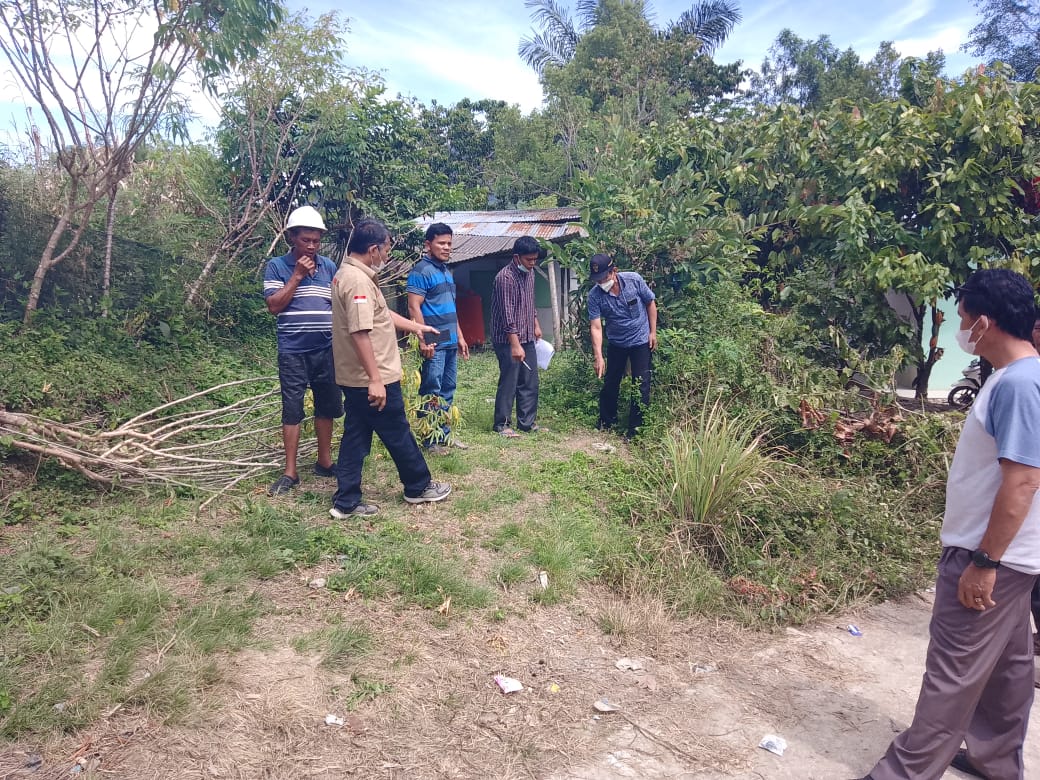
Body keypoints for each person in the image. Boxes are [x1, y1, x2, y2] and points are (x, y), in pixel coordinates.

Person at [856, 268, 1040, 780]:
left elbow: (1023, 482)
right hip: (1014, 558)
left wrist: (984, 561)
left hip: (990, 556)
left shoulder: (1021, 384)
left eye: (963, 320)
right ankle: (994, 758)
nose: (962, 332)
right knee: (1008, 671)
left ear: (985, 322)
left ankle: (905, 772)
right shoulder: (1023, 378)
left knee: (951, 674)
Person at [329, 218, 451, 518]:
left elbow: (381, 316)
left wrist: (417, 327)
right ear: (372, 249)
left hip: (356, 376)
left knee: (355, 436)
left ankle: (346, 501)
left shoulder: (351, 274)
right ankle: (418, 486)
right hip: (373, 376)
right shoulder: (357, 282)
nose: (386, 257)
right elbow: (360, 331)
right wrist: (375, 379)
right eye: (385, 250)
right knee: (397, 431)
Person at [262, 205, 343, 496]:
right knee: (293, 409)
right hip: (293, 351)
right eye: (305, 239)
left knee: (327, 405)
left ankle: (324, 461)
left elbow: (336, 305)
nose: (311, 245)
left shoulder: (329, 267)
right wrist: (296, 276)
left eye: (316, 240)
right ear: (292, 238)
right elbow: (273, 306)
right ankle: (290, 472)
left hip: (326, 348)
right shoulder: (277, 266)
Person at [406, 223, 469, 454]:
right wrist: (423, 340)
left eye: (449, 243)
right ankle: (429, 440)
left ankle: (443, 435)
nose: (446, 247)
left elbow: (452, 308)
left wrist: (460, 336)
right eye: (441, 243)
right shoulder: (421, 271)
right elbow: (414, 307)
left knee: (448, 388)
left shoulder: (446, 271)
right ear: (428, 244)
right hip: (434, 340)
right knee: (431, 389)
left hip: (450, 339)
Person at [587, 253, 657, 438]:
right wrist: (599, 356)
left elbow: (650, 303)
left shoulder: (634, 280)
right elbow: (595, 326)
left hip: (641, 341)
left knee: (641, 384)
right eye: (597, 280)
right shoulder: (594, 296)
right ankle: (606, 421)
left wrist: (652, 332)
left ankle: (635, 429)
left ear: (614, 272)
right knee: (611, 383)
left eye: (603, 278)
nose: (601, 283)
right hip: (617, 342)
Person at [490, 235, 543, 438]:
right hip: (507, 340)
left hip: (527, 334)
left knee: (530, 380)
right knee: (510, 380)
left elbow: (530, 302)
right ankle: (502, 424)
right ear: (516, 257)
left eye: (535, 259)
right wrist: (515, 345)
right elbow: (507, 314)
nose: (532, 263)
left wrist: (535, 324)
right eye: (529, 260)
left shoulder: (529, 273)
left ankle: (527, 423)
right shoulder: (505, 279)